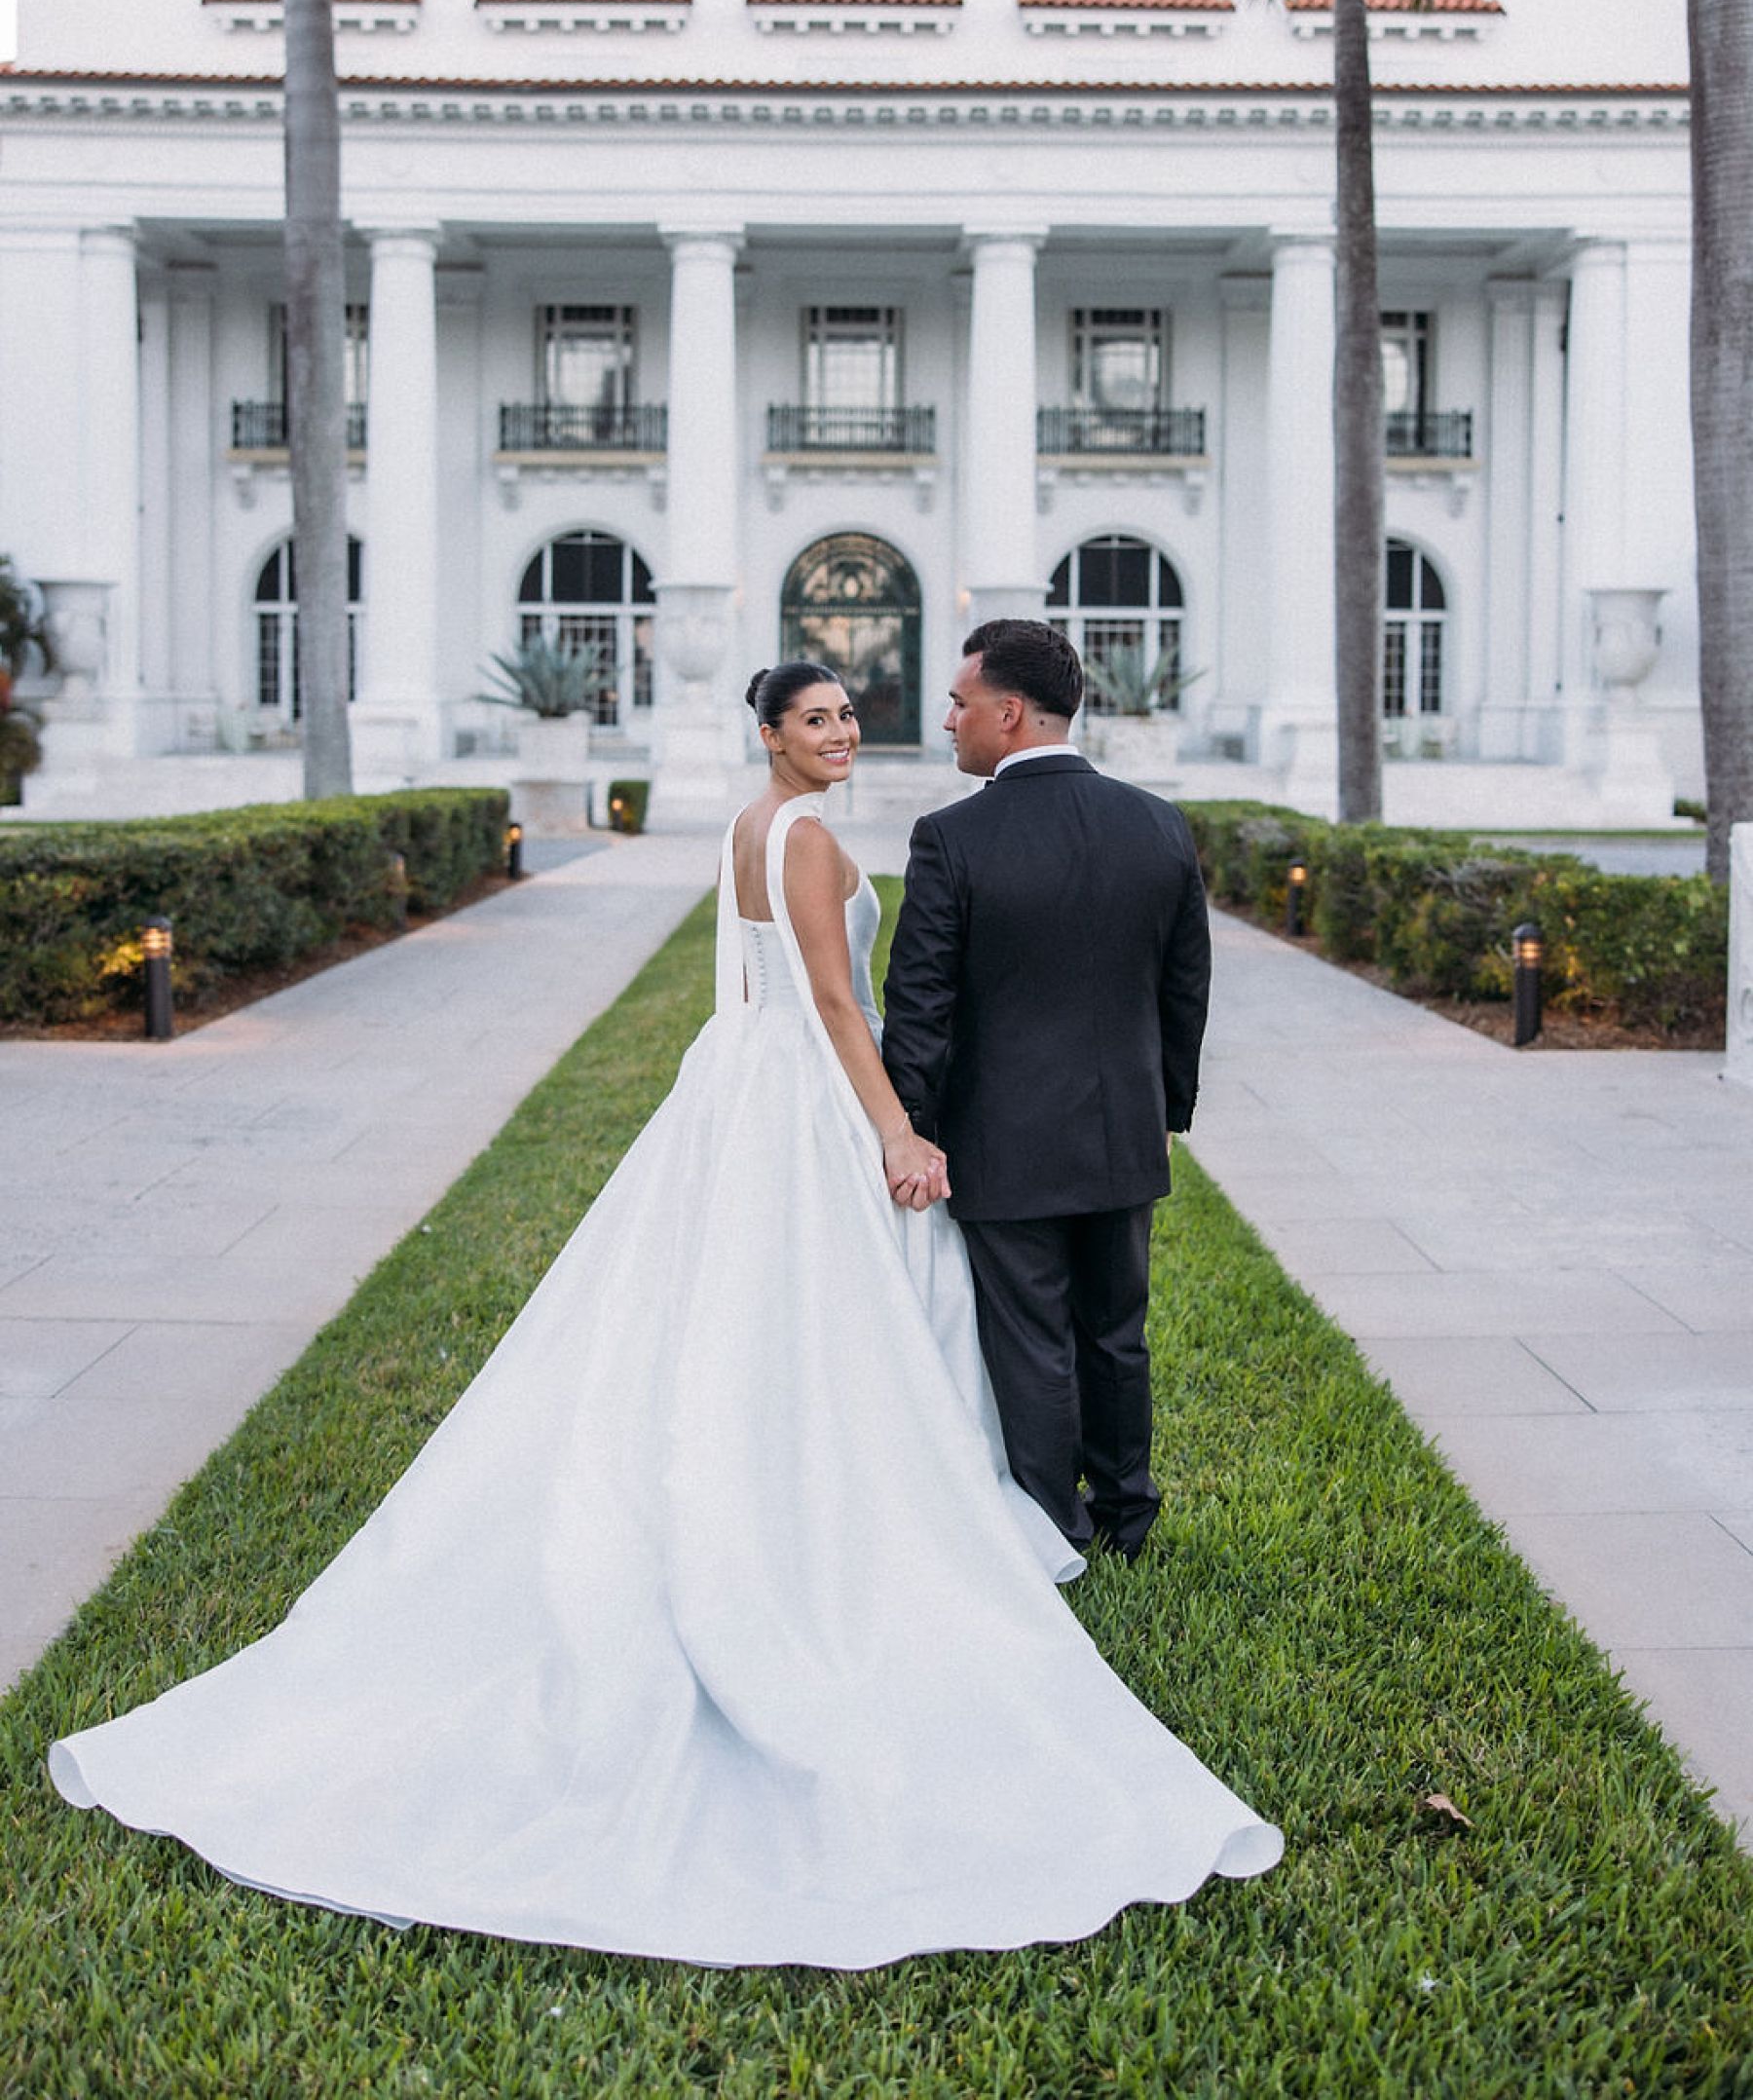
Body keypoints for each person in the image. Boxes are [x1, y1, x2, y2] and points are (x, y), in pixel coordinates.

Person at [48, 660, 1279, 1969]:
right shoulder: (807, 840)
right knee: (828, 1316)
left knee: (725, 1308)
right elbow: (829, 1003)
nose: (844, 731)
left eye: (851, 713)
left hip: (732, 1085)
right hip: (801, 1091)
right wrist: (898, 1127)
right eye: (818, 718)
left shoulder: (752, 825)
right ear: (769, 734)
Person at [881, 619, 1211, 1563]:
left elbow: (922, 1006)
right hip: (1124, 1136)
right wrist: (1166, 1110)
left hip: (1003, 1142)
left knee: (1032, 1344)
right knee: (1117, 1335)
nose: (949, 720)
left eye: (960, 702)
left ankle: (1052, 1527)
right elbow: (1185, 988)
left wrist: (911, 1128)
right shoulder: (1158, 822)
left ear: (1011, 712)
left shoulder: (951, 838)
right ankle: (1128, 1516)